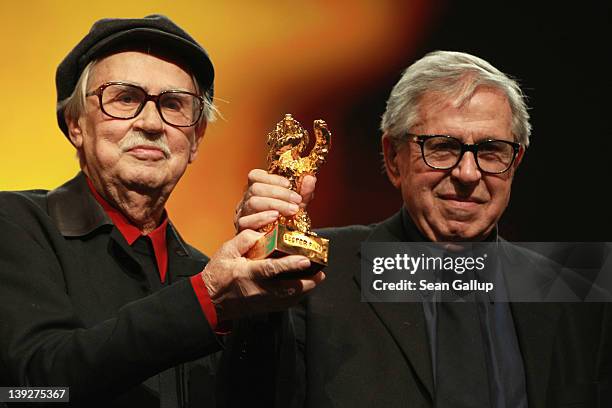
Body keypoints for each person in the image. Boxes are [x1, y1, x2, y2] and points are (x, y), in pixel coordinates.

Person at [229, 51, 611, 407]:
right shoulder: (317, 273)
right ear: (393, 158)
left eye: (491, 150)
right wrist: (257, 264)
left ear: (515, 162)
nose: (467, 173)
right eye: (442, 147)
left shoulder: (572, 287)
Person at [0, 15, 324, 407]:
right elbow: (35, 386)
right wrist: (207, 298)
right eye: (125, 98)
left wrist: (264, 282)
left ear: (196, 140)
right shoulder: (15, 224)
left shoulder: (209, 275)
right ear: (75, 124)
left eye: (173, 105)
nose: (151, 123)